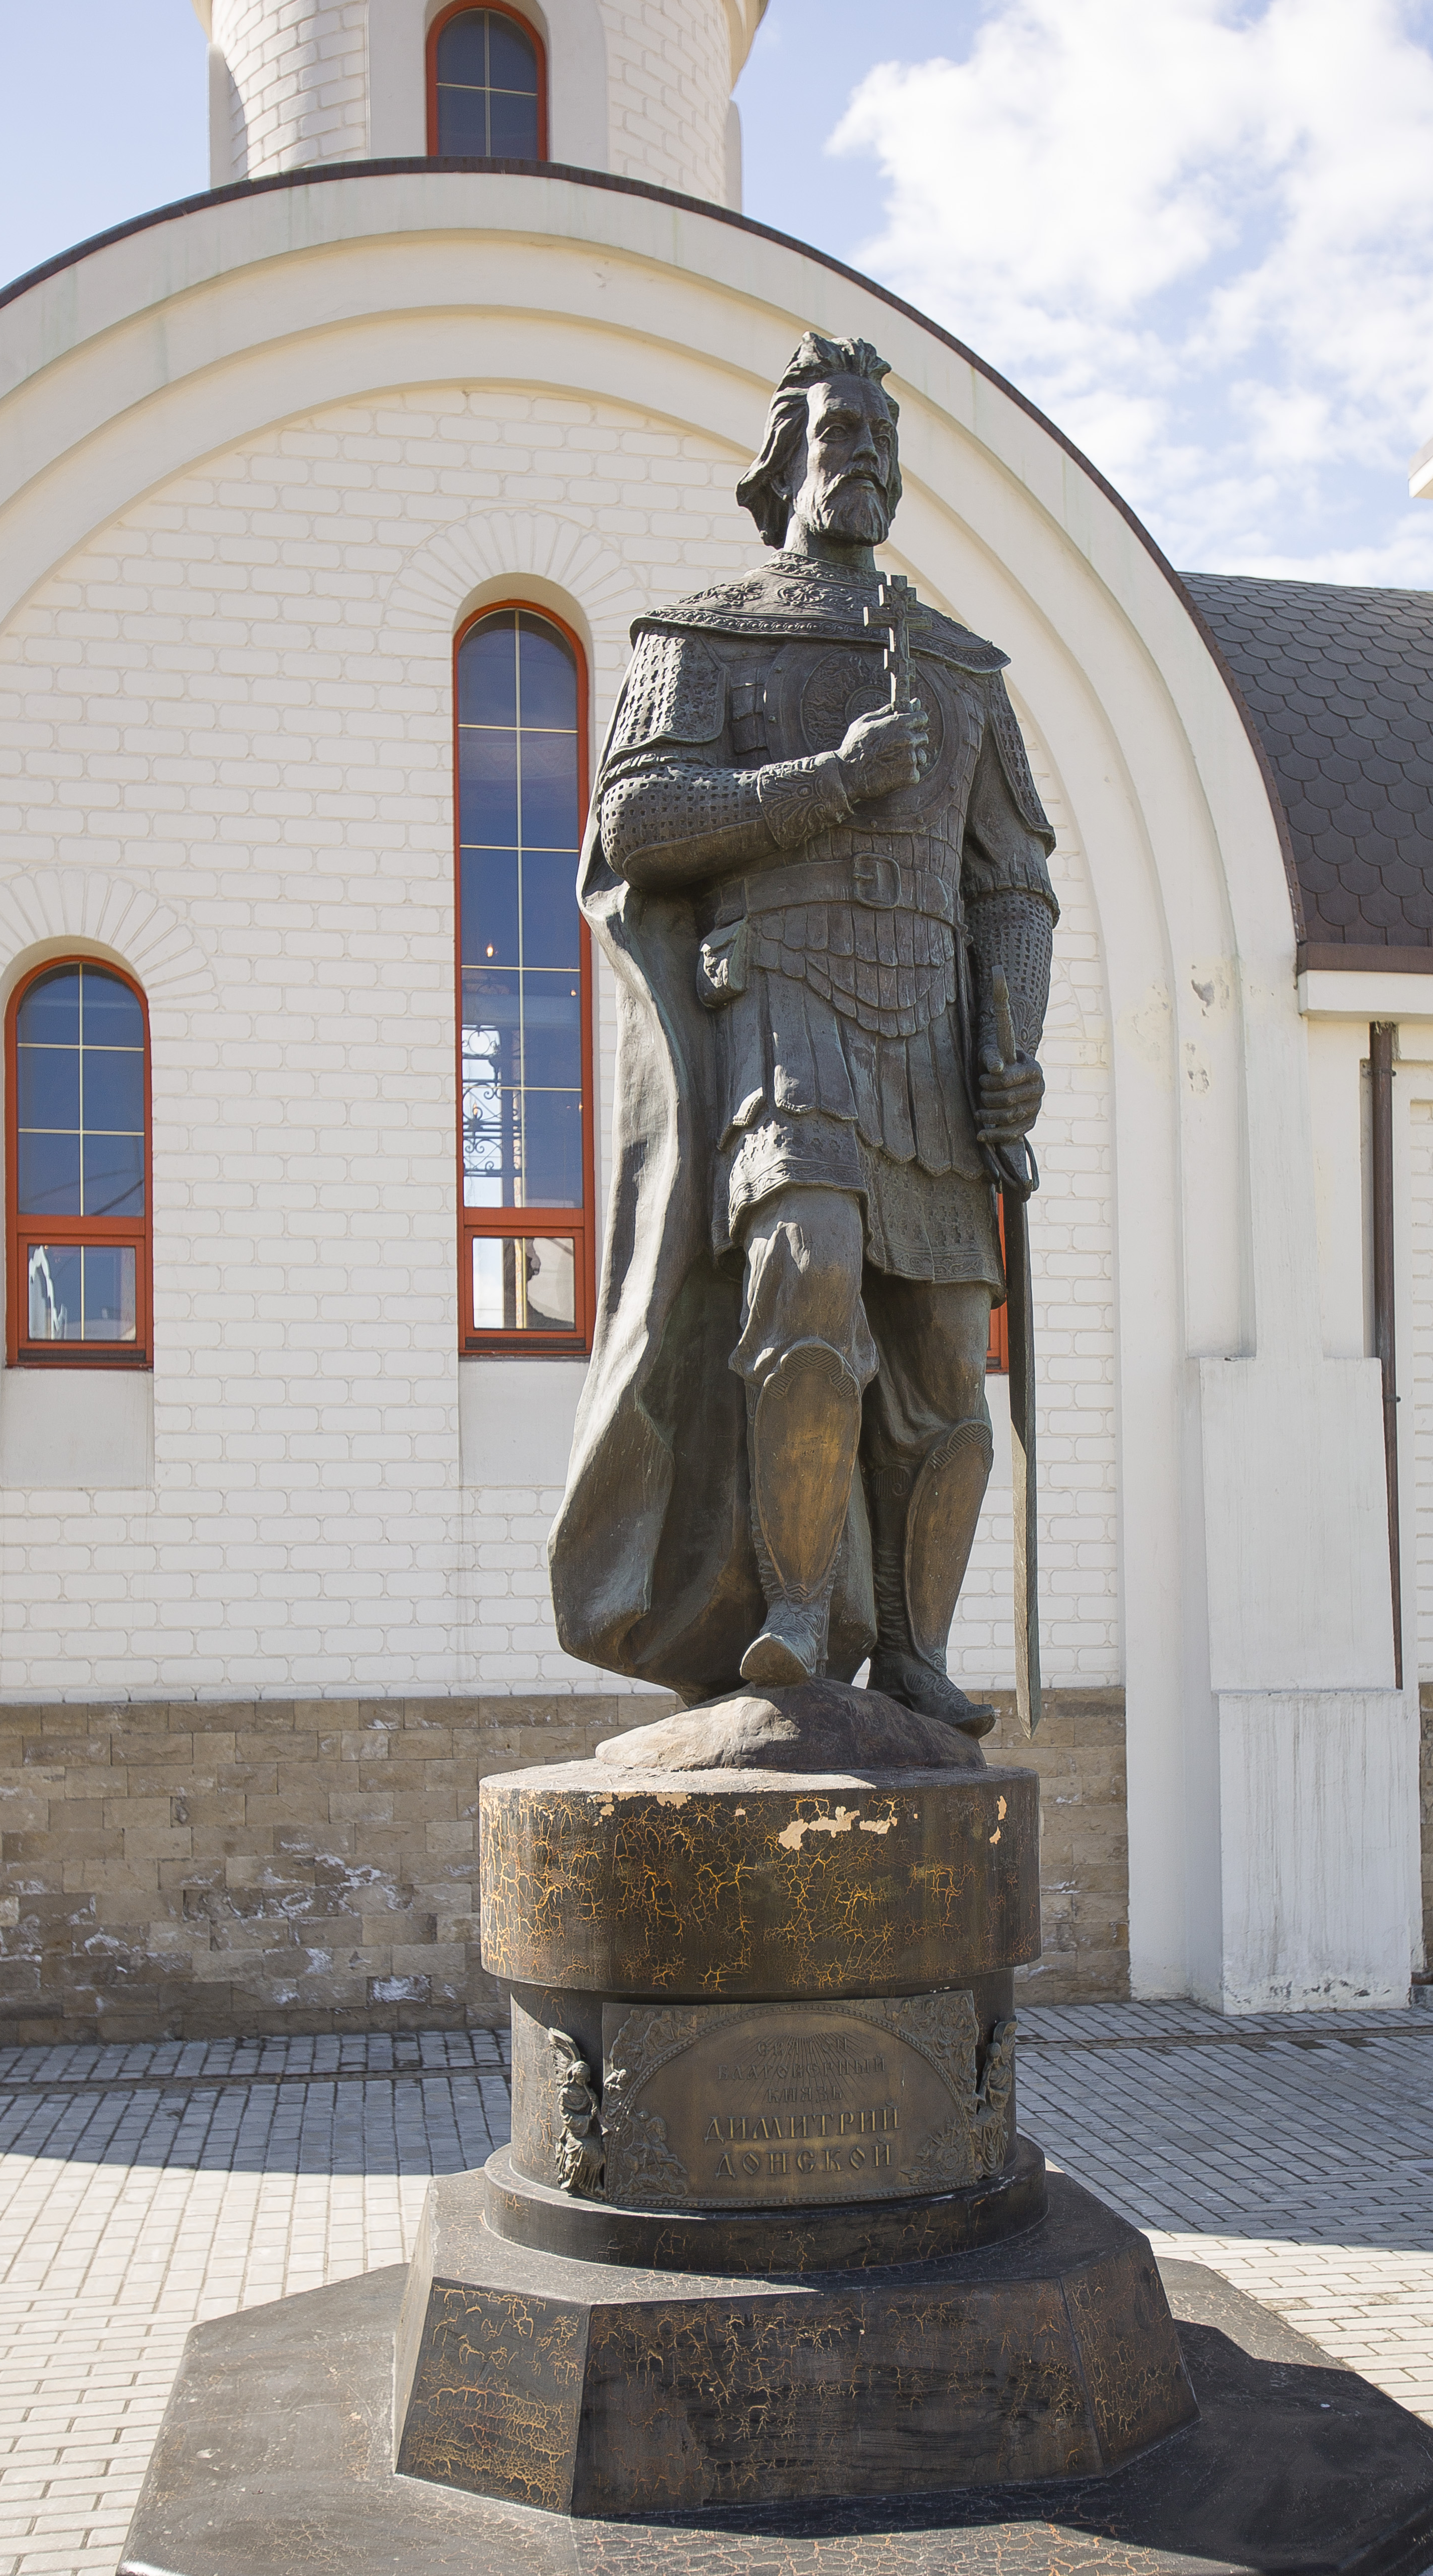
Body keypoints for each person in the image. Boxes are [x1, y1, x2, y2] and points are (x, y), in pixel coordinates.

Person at [550, 333, 1056, 1736]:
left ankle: (910, 1649)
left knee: (953, 1356)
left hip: (934, 1043)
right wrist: (828, 783)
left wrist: (1013, 1035)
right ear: (779, 468)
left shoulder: (961, 671)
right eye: (835, 433)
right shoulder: (703, 638)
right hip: (779, 1006)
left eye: (878, 438)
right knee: (806, 1277)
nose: (864, 457)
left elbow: (1011, 883)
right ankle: (786, 1612)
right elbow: (637, 822)